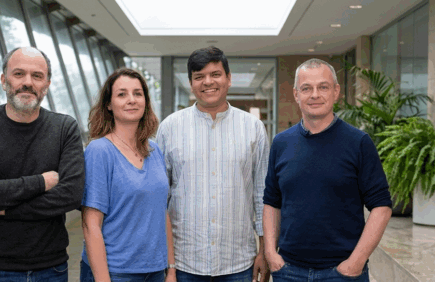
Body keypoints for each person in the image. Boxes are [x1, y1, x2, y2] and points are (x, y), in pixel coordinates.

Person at [0, 46, 85, 282]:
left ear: (47, 84)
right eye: (18, 74)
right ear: (4, 81)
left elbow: (72, 195)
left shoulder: (65, 129)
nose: (28, 82)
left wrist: (6, 208)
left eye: (37, 76)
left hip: (51, 269)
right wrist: (42, 181)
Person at [262, 59, 393, 282]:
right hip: (289, 271)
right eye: (306, 88)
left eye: (322, 87)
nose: (314, 95)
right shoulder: (281, 143)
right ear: (296, 94)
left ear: (336, 92)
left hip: (343, 272)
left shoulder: (359, 142)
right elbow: (272, 202)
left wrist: (356, 262)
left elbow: (381, 206)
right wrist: (271, 254)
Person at [156, 46, 270, 282]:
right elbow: (160, 197)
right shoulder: (170, 127)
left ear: (228, 79)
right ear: (191, 83)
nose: (208, 82)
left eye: (215, 74)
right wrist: (167, 263)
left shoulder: (253, 127)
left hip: (238, 261)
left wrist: (264, 251)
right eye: (199, 77)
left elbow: (262, 194)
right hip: (185, 261)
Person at [80, 68, 175, 282]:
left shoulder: (154, 150)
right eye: (122, 94)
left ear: (146, 101)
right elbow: (90, 224)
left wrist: (171, 269)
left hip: (156, 271)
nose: (131, 100)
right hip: (115, 272)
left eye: (137, 93)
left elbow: (162, 213)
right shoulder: (99, 151)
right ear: (108, 104)